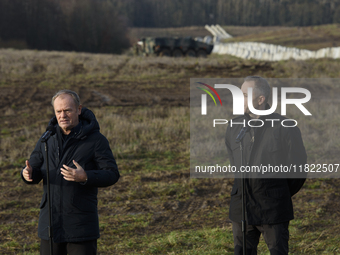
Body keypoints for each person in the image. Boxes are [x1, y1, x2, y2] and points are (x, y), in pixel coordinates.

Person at [21, 90, 120, 255]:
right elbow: (34, 170)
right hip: (50, 225)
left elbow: (112, 174)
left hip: (80, 227)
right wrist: (27, 174)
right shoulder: (46, 139)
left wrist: (86, 176)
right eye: (58, 111)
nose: (63, 115)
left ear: (79, 110)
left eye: (67, 110)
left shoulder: (96, 140)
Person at [225, 76, 307, 255]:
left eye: (245, 95)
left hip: (274, 209)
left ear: (260, 100)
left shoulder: (286, 127)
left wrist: (276, 193)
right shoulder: (233, 127)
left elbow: (298, 171)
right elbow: (235, 166)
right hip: (242, 208)